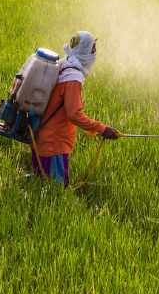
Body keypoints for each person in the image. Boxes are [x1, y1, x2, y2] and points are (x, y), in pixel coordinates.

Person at [32, 31, 119, 186]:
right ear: (84, 51)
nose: (94, 53)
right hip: (54, 145)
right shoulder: (72, 77)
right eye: (93, 49)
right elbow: (73, 114)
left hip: (42, 138)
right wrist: (102, 128)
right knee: (56, 193)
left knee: (40, 188)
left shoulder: (64, 64)